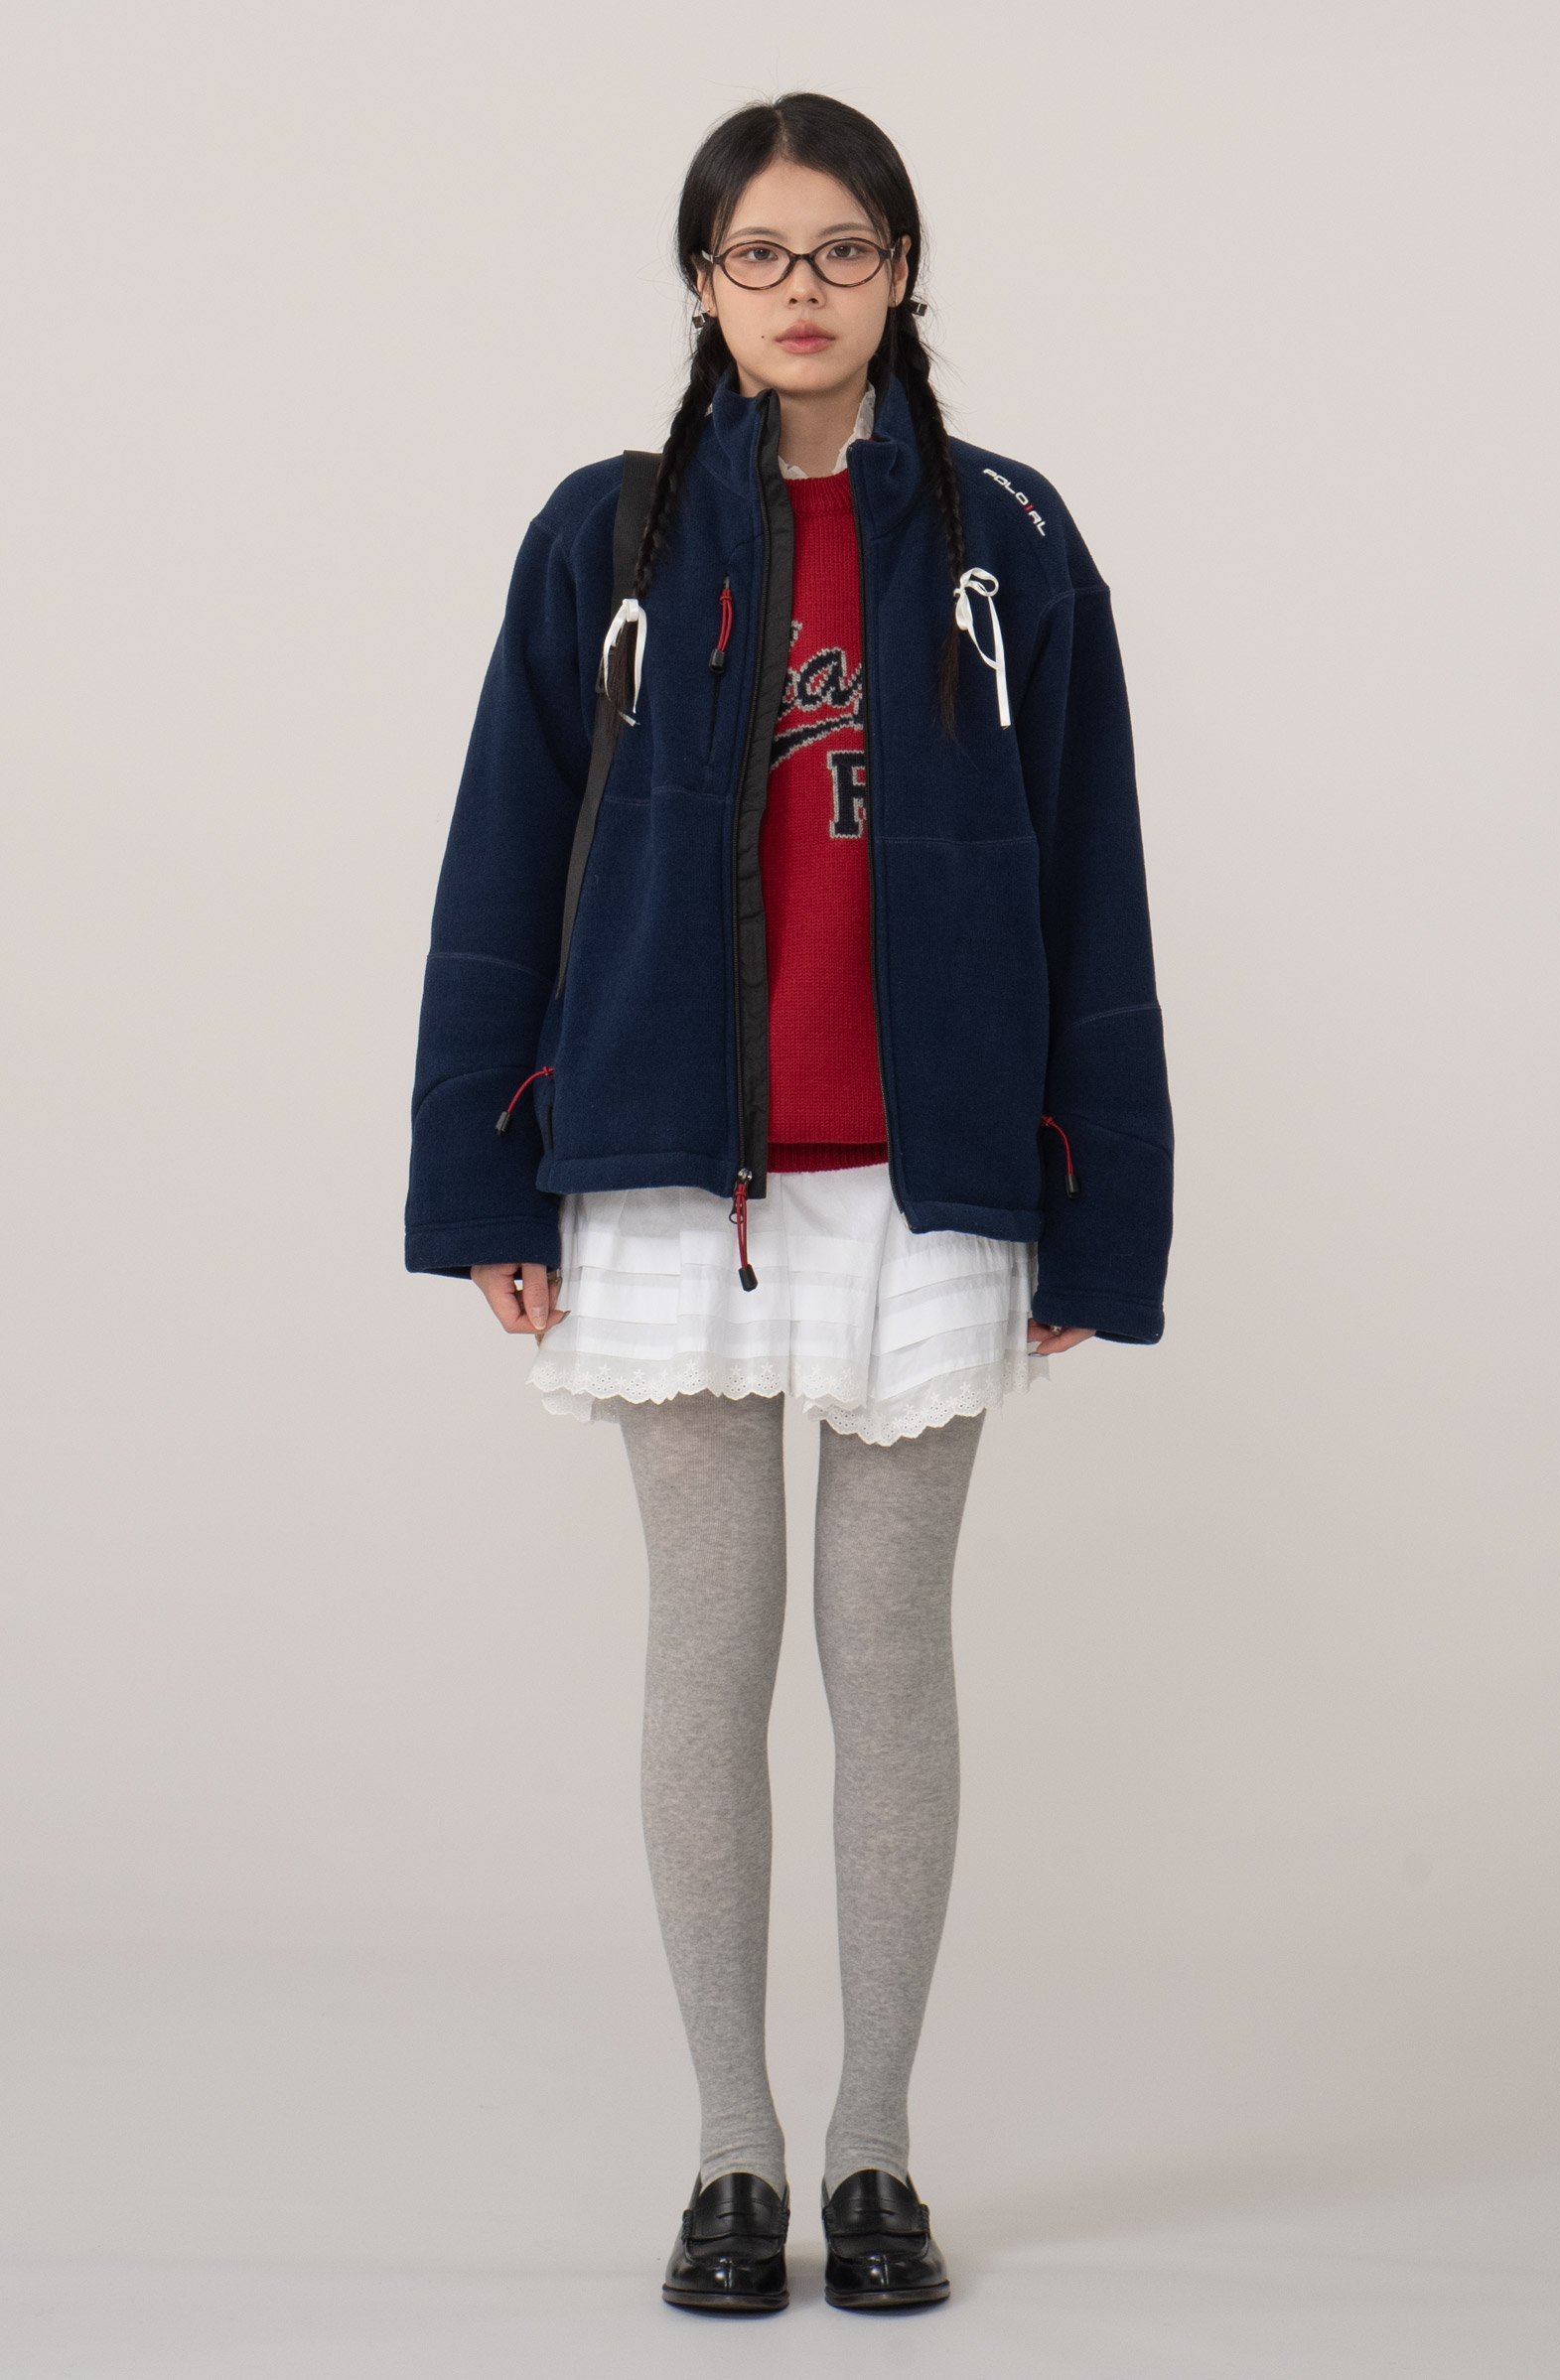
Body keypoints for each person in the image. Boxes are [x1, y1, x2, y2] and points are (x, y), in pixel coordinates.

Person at [405, 90, 1172, 2315]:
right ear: (704, 284)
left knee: (890, 1659)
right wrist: (487, 1175)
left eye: (842, 249)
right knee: (706, 1650)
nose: (802, 288)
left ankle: (875, 2151)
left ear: (901, 269)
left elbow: (1094, 872)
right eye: (760, 254)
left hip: (927, 1183)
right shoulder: (612, 536)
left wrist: (1089, 1201)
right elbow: (502, 854)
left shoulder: (1008, 540)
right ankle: (732, 2155)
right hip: (668, 1170)